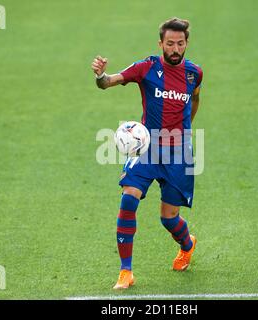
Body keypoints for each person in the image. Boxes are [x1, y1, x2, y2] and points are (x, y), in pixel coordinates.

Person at [91, 17, 203, 290]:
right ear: (160, 44)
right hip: (147, 147)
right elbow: (108, 82)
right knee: (129, 198)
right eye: (169, 44)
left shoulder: (194, 73)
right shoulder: (147, 67)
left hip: (178, 153)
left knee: (169, 218)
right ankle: (125, 272)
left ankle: (187, 245)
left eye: (180, 44)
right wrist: (99, 75)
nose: (175, 49)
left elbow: (196, 99)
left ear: (186, 43)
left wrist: (185, 132)